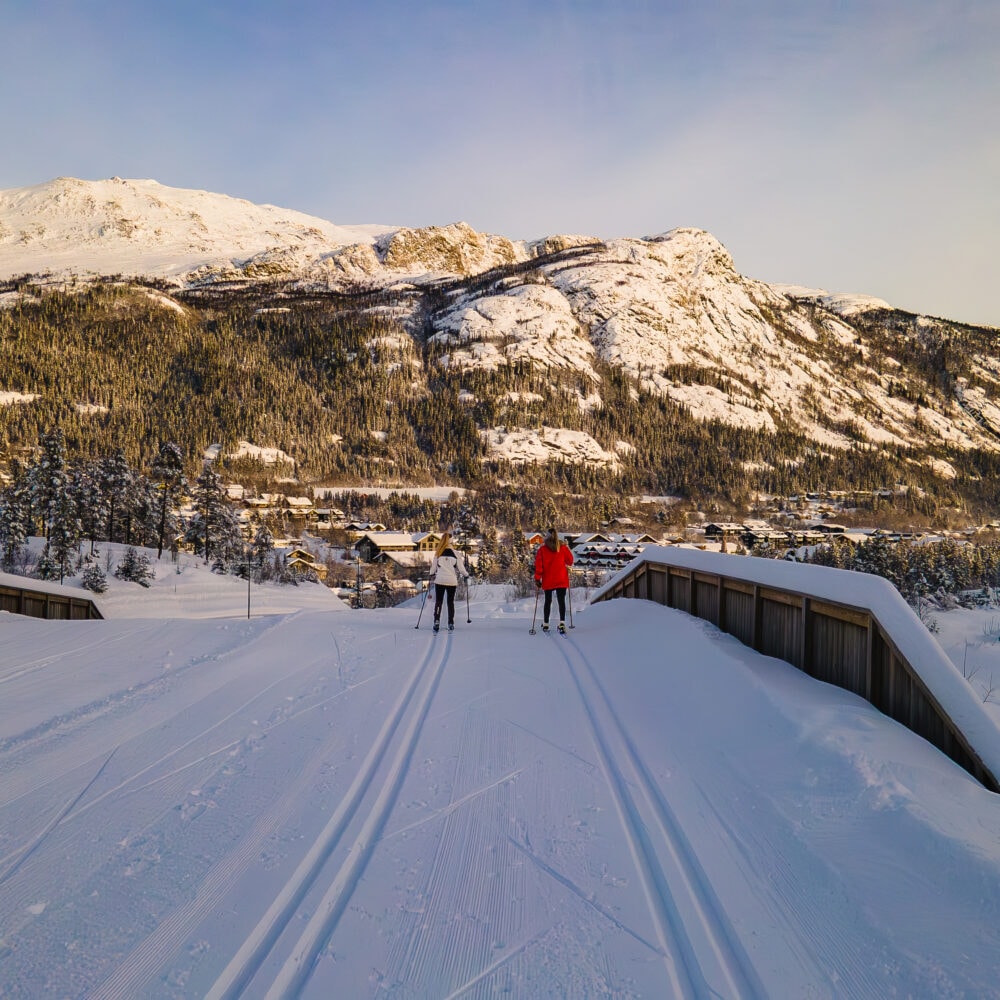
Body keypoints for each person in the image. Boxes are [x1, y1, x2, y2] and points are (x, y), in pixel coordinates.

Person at [534, 527, 574, 633]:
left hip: (548, 579)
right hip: (561, 578)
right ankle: (562, 623)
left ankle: (546, 624)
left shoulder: (542, 550)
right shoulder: (563, 547)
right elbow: (570, 561)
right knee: (561, 601)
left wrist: (537, 579)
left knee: (548, 601)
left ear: (547, 536)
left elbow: (539, 566)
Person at [429, 531, 469, 632]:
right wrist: (466, 575)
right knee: (450, 602)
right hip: (452, 581)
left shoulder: (438, 553)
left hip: (440, 581)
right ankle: (451, 623)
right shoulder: (456, 554)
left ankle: (436, 621)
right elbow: (461, 568)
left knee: (439, 602)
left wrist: (431, 574)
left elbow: (433, 569)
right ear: (451, 541)